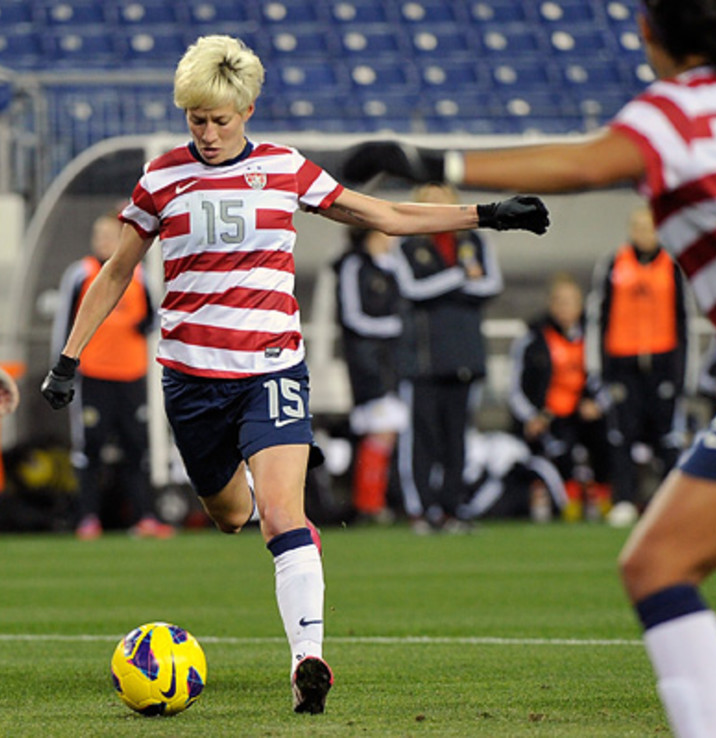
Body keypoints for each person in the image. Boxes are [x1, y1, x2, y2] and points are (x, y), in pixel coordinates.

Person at [341, 1, 716, 735]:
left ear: (649, 30)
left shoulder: (673, 115)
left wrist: (428, 163)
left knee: (656, 565)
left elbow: (582, 164)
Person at [40, 34, 548, 715]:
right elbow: (116, 272)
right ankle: (246, 499)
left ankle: (307, 659)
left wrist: (483, 215)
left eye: (221, 119)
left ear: (248, 108)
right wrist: (68, 359)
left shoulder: (285, 170)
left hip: (272, 370)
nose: (210, 132)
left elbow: (384, 214)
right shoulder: (161, 178)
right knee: (230, 516)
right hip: (191, 381)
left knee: (284, 512)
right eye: (197, 120)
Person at [53, 209, 172, 540]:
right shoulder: (81, 274)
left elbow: (156, 315)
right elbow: (65, 322)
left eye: (110, 236)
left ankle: (144, 517)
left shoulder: (140, 276)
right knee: (90, 446)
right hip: (93, 375)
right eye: (99, 236)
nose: (103, 242)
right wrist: (62, 367)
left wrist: (143, 325)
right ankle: (87, 517)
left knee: (136, 446)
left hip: (132, 375)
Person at [391, 183, 503, 533]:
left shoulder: (475, 240)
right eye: (428, 201)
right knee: (423, 437)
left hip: (465, 355)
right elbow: (412, 289)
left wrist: (450, 285)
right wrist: (458, 277)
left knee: (458, 438)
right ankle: (423, 511)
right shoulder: (407, 243)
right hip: (422, 357)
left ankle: (454, 509)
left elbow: (490, 284)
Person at [588, 205, 694, 527]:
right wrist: (599, 371)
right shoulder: (612, 264)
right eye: (637, 227)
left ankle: (671, 502)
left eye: (648, 227)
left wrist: (682, 375)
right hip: (623, 364)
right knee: (622, 435)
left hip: (662, 363)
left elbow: (684, 321)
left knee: (667, 438)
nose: (643, 233)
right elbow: (599, 319)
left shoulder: (672, 266)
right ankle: (623, 500)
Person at [509, 273, 610, 522]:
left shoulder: (594, 338)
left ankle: (606, 499)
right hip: (549, 416)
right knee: (560, 450)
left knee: (609, 438)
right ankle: (568, 502)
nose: (565, 307)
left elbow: (606, 378)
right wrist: (532, 416)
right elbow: (514, 388)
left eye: (570, 301)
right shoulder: (533, 339)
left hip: (581, 413)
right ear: (550, 305)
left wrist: (597, 403)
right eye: (559, 301)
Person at [332, 226, 407, 523]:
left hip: (391, 362)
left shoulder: (393, 267)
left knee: (387, 431)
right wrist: (393, 327)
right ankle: (368, 503)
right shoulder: (354, 265)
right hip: (368, 362)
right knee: (378, 430)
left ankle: (374, 500)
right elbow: (352, 316)